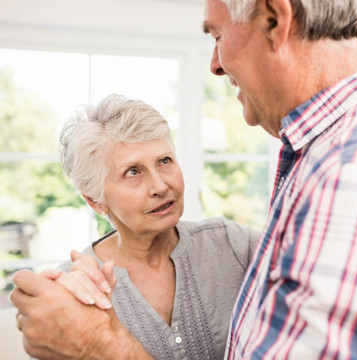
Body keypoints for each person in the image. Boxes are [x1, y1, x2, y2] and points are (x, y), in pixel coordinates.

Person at [11, 0, 357, 359]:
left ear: (275, 19)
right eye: (133, 172)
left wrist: (99, 344)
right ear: (95, 200)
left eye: (217, 34)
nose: (214, 64)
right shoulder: (339, 163)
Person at [14, 93, 260, 360]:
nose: (160, 186)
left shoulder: (233, 244)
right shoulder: (76, 290)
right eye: (133, 171)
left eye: (164, 161)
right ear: (95, 201)